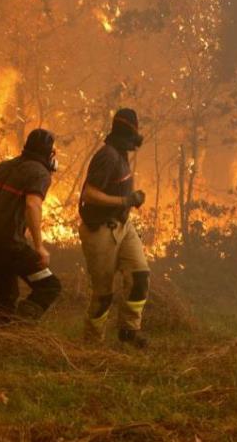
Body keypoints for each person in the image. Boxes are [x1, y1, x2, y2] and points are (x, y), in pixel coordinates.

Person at [0, 128, 62, 328]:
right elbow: (32, 204)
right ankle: (20, 330)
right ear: (48, 153)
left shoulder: (6, 166)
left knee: (6, 293)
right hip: (10, 244)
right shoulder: (40, 173)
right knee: (49, 287)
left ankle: (0, 337)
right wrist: (39, 247)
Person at [78, 108, 151, 348]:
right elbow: (89, 194)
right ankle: (92, 343)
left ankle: (130, 330)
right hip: (100, 229)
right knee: (103, 293)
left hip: (123, 225)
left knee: (139, 274)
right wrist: (125, 201)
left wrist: (130, 199)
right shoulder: (107, 156)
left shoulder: (120, 154)